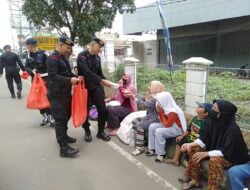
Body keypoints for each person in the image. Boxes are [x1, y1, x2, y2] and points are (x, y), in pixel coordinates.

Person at [180, 100, 249, 190]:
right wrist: (190, 144)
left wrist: (207, 154)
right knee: (194, 149)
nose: (211, 110)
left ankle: (212, 188)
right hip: (216, 150)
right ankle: (195, 180)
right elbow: (204, 137)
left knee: (215, 161)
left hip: (231, 157)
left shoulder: (233, 130)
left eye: (214, 108)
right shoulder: (211, 121)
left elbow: (226, 151)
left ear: (221, 114)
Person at [77, 37, 117, 142]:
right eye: (99, 47)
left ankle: (100, 132)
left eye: (101, 48)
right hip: (85, 88)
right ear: (92, 44)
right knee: (85, 110)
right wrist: (102, 81)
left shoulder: (97, 58)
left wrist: (108, 82)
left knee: (102, 109)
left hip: (96, 87)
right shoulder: (82, 56)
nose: (100, 50)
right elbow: (87, 72)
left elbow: (99, 73)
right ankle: (87, 131)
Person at [46, 35, 80, 158]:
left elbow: (66, 73)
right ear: (60, 45)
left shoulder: (63, 58)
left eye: (70, 48)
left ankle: (63, 136)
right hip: (56, 94)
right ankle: (63, 149)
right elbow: (53, 77)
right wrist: (70, 80)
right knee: (60, 120)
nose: (68, 50)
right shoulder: (52, 59)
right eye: (67, 48)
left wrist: (75, 77)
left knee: (67, 115)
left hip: (65, 93)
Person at [165, 102, 212, 166]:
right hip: (190, 138)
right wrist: (182, 136)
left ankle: (189, 166)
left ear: (206, 113)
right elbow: (189, 129)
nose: (198, 106)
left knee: (192, 150)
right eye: (199, 105)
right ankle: (175, 159)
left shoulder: (206, 123)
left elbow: (204, 137)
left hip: (197, 142)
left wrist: (193, 144)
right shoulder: (195, 118)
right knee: (180, 140)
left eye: (201, 107)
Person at [146, 91, 187, 162]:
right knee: (152, 126)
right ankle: (152, 149)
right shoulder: (166, 108)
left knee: (159, 131)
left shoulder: (173, 112)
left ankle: (161, 154)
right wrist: (160, 112)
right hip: (169, 125)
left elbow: (166, 125)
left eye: (159, 101)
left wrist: (161, 112)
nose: (158, 103)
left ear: (164, 101)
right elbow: (163, 122)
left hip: (177, 129)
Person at [25, 38, 55, 126]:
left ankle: (51, 117)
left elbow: (50, 66)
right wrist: (31, 71)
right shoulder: (28, 55)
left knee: (48, 97)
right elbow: (26, 67)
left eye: (27, 45)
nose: (26, 47)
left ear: (31, 45)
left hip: (46, 79)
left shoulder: (43, 54)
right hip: (35, 80)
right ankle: (44, 117)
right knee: (38, 98)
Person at [131, 80, 165, 156]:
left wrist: (133, 97)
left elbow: (143, 105)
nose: (148, 87)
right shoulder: (151, 96)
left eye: (150, 86)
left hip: (155, 119)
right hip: (149, 116)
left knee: (140, 126)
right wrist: (140, 98)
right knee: (135, 120)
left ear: (155, 88)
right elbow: (142, 99)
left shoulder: (156, 98)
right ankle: (142, 140)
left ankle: (140, 147)